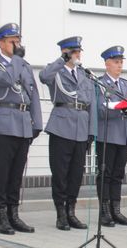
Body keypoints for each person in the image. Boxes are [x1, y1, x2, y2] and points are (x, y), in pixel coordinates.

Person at [39, 36, 94, 230]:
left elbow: (91, 103)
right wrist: (62, 60)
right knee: (60, 173)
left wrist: (91, 131)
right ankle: (60, 213)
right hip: (62, 127)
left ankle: (71, 211)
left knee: (76, 174)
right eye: (74, 51)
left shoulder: (84, 74)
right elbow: (43, 77)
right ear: (65, 52)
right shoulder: (56, 71)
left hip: (81, 127)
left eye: (79, 51)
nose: (78, 54)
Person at [0, 22, 42, 235]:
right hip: (4, 124)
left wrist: (37, 123)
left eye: (18, 41)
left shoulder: (24, 65)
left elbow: (32, 94)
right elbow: (6, 80)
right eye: (12, 41)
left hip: (23, 123)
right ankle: (0, 215)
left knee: (16, 173)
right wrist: (16, 59)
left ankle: (13, 214)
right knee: (2, 173)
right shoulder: (2, 64)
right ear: (1, 43)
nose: (16, 44)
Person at [96, 46, 127, 227]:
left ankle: (116, 210)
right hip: (108, 133)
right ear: (107, 63)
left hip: (124, 134)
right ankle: (104, 211)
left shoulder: (126, 84)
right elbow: (100, 109)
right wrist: (121, 106)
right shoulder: (99, 83)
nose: (119, 65)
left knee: (118, 175)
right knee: (106, 174)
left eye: (121, 62)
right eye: (116, 62)